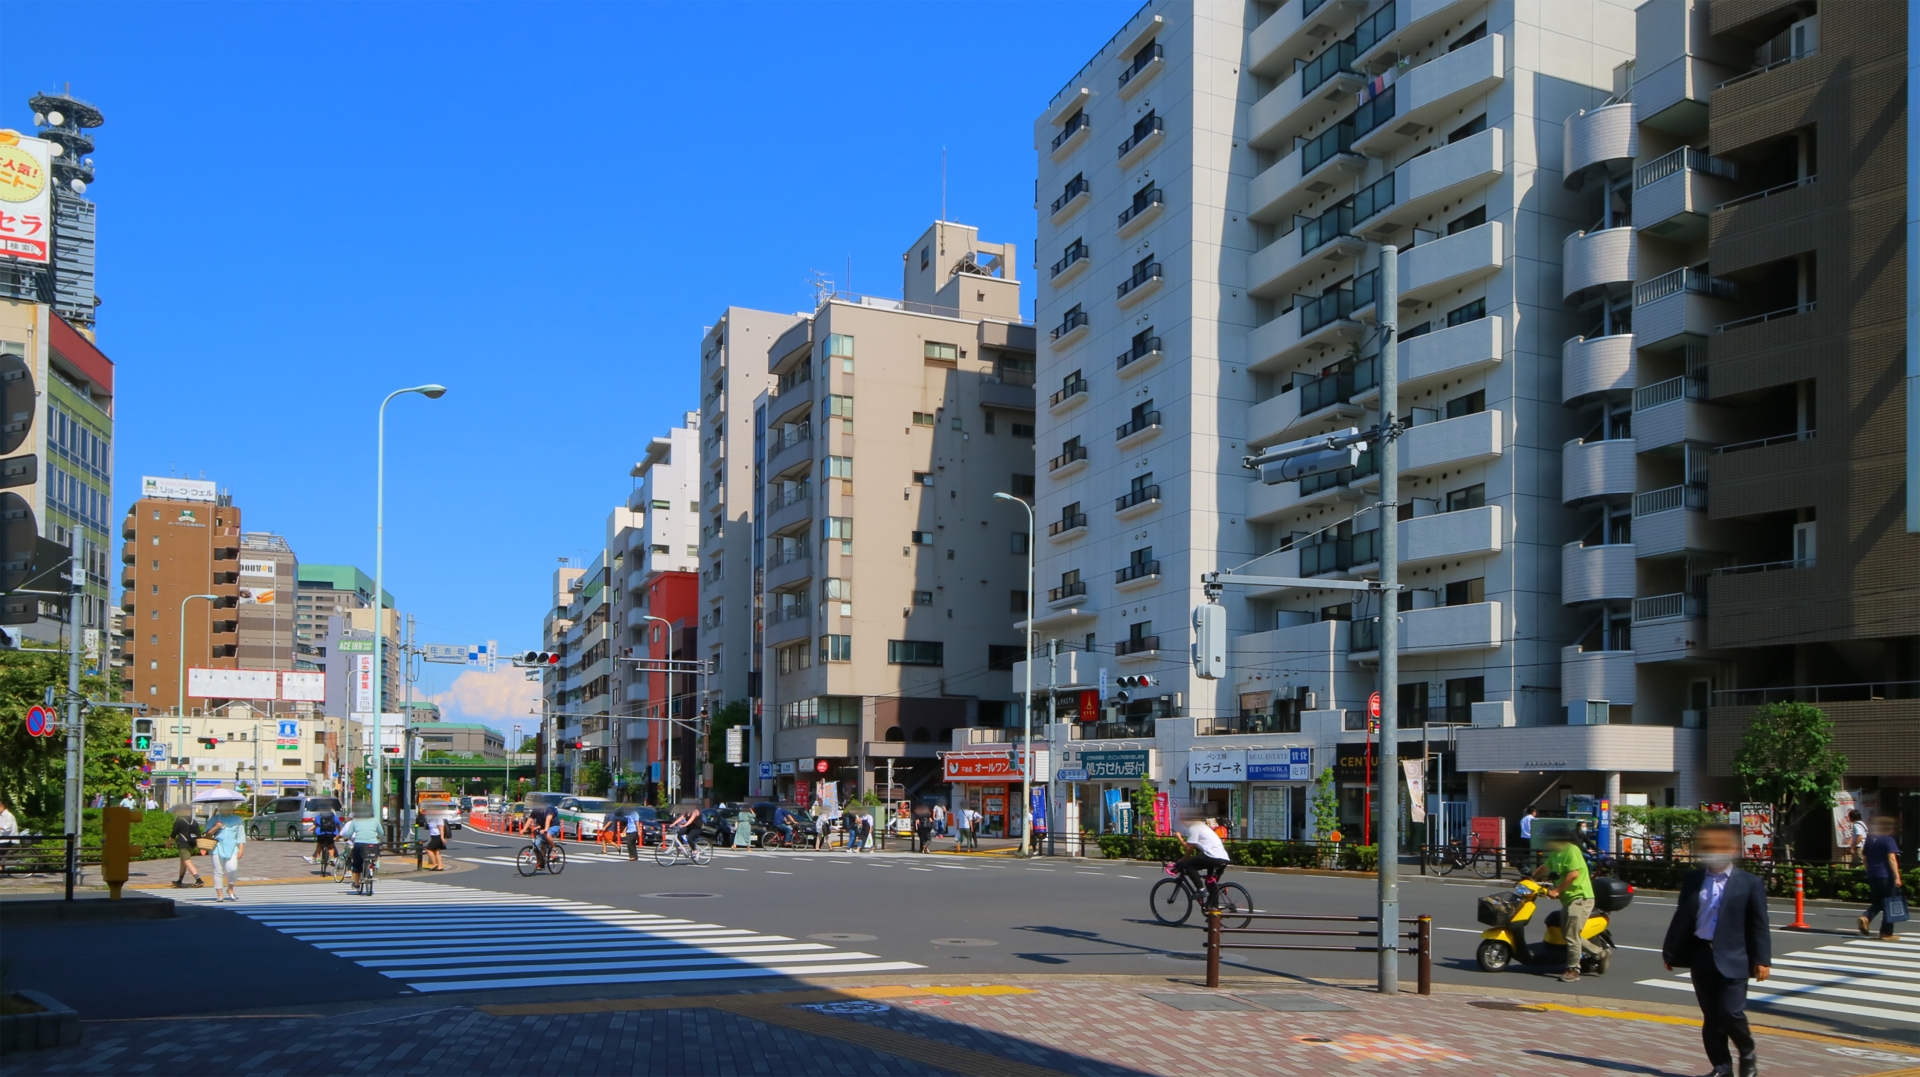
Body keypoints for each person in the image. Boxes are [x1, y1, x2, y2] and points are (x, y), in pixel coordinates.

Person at [1662, 823, 1771, 1077]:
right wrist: (1671, 952)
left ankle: (1747, 1051)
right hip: (1702, 954)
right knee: (1712, 1016)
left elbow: (1759, 924)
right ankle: (1722, 1068)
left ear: (1733, 849)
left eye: (1721, 847)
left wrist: (1762, 960)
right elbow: (1683, 918)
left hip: (1735, 956)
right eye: (1710, 847)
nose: (1715, 852)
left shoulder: (1750, 883)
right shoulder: (1694, 879)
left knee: (1730, 1012)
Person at [1533, 831, 1604, 982]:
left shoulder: (1572, 850)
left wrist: (1556, 890)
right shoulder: (1555, 854)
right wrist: (1529, 879)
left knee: (1571, 936)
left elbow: (1573, 874)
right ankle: (1599, 953)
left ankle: (1573, 969)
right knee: (1569, 935)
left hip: (1580, 897)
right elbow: (1544, 868)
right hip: (1569, 899)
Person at [1859, 816, 1903, 940]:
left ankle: (1866, 917)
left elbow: (1865, 858)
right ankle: (1886, 932)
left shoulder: (1870, 840)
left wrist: (1869, 871)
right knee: (1890, 903)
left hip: (1873, 875)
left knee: (1879, 901)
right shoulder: (1888, 840)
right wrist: (1897, 876)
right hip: (1886, 876)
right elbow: (1892, 858)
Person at [1175, 818, 1232, 905]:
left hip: (1213, 856)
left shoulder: (1194, 827)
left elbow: (1189, 849)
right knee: (1211, 884)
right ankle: (1213, 911)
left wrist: (1182, 860)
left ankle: (1200, 889)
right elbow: (1191, 847)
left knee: (1188, 865)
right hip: (1223, 858)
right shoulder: (1202, 826)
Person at [205, 805, 245, 901]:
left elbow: (241, 835)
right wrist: (216, 827)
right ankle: (220, 895)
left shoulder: (237, 819)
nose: (226, 809)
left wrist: (241, 849)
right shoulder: (214, 819)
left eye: (228, 806)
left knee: (232, 869)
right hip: (217, 847)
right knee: (218, 870)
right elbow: (207, 834)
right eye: (224, 806)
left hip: (232, 848)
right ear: (219, 808)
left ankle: (230, 889)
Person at [344, 808, 383, 890]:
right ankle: (373, 864)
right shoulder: (375, 820)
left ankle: (357, 884)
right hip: (373, 844)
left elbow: (348, 834)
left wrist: (346, 838)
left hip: (359, 844)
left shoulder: (355, 821)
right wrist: (378, 836)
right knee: (375, 853)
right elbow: (381, 833)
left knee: (357, 865)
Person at [170, 807, 205, 888]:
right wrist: (201, 847)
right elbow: (198, 836)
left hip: (183, 844)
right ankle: (179, 881)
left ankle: (198, 880)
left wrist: (168, 843)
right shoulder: (194, 822)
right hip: (192, 844)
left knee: (187, 862)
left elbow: (173, 835)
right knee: (183, 863)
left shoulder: (179, 821)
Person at [311, 806, 342, 874]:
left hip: (321, 834)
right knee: (330, 845)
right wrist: (340, 832)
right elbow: (338, 825)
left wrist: (310, 829)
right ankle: (331, 858)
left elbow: (316, 824)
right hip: (331, 833)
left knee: (319, 844)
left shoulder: (318, 817)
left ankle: (318, 858)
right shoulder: (334, 817)